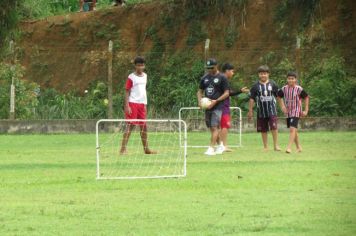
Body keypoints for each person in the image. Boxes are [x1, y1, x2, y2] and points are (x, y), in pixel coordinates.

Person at [119, 56, 157, 155]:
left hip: (142, 104)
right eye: (138, 65)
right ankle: (123, 149)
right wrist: (127, 106)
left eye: (142, 65)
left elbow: (142, 91)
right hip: (133, 103)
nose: (140, 67)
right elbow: (127, 91)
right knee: (130, 126)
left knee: (144, 127)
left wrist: (144, 104)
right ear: (135, 66)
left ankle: (146, 149)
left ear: (144, 66)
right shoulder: (131, 77)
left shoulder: (145, 76)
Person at [197, 58, 230, 156]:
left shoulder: (222, 78)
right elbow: (199, 91)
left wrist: (216, 101)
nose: (210, 69)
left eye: (212, 67)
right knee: (211, 128)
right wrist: (200, 101)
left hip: (218, 106)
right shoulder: (205, 78)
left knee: (215, 127)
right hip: (208, 106)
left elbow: (226, 93)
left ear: (216, 66)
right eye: (208, 68)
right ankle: (221, 145)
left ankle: (211, 148)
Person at [248, 65, 284, 151]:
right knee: (263, 129)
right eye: (261, 74)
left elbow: (278, 96)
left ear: (268, 74)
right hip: (261, 111)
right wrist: (250, 110)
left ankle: (276, 145)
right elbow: (252, 99)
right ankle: (265, 147)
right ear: (258, 75)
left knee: (274, 127)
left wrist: (282, 106)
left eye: (264, 73)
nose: (263, 75)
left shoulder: (273, 84)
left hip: (272, 110)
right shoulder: (255, 86)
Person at [216, 63, 249, 152]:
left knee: (217, 127)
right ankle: (224, 146)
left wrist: (240, 91)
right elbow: (228, 93)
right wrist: (240, 91)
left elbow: (228, 92)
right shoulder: (224, 79)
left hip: (217, 106)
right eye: (232, 71)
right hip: (223, 105)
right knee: (224, 126)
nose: (233, 73)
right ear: (227, 71)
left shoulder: (218, 78)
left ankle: (220, 145)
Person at [277, 71, 309, 153]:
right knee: (294, 129)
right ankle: (298, 147)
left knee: (292, 129)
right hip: (288, 112)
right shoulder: (284, 89)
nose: (290, 80)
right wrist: (282, 106)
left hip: (296, 111)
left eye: (292, 79)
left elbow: (306, 97)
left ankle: (289, 147)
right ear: (287, 79)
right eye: (289, 79)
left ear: (295, 80)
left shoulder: (299, 89)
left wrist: (306, 110)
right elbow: (278, 96)